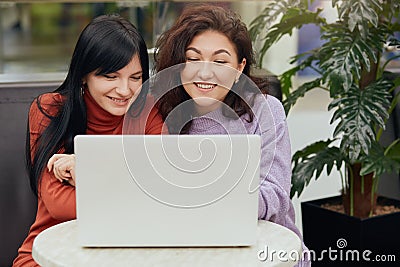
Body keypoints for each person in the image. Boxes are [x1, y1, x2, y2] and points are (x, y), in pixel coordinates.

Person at [153, 4, 310, 266]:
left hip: (267, 254)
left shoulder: (265, 110)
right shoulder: (163, 113)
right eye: (193, 59)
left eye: (220, 61)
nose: (205, 72)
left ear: (239, 69)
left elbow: (276, 197)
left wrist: (203, 197)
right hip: (195, 251)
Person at [13, 14, 164, 266]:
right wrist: (133, 192)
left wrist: (86, 171)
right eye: (110, 76)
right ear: (84, 75)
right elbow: (58, 204)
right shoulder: (49, 110)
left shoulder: (148, 112)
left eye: (135, 78)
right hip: (47, 256)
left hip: (126, 254)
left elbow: (161, 196)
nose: (125, 90)